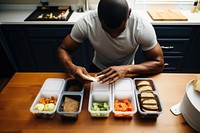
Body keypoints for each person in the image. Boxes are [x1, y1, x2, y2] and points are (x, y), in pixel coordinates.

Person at [57, 0, 164, 84]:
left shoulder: (141, 26)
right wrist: (71, 67)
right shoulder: (87, 22)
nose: (114, 35)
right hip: (98, 69)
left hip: (129, 71)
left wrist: (127, 69)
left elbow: (159, 63)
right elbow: (63, 49)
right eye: (107, 30)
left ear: (129, 13)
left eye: (120, 30)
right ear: (98, 17)